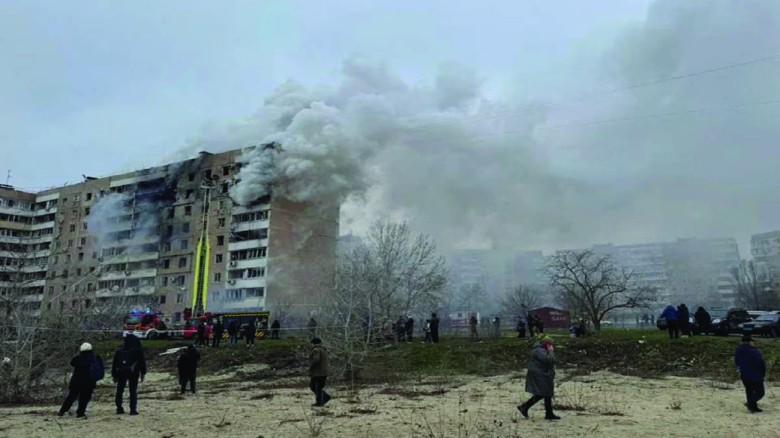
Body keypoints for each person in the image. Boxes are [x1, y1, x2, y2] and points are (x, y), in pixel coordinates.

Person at [517, 336, 560, 421]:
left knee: (547, 393)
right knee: (543, 393)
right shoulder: (539, 350)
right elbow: (549, 360)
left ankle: (549, 413)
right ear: (546, 344)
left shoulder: (541, 350)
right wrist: (551, 351)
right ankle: (524, 407)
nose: (552, 346)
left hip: (543, 373)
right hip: (540, 374)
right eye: (551, 344)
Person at [58, 343, 97, 419]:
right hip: (88, 380)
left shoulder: (76, 359)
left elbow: (72, 363)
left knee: (71, 396)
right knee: (84, 397)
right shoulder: (92, 358)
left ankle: (62, 411)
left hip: (76, 380)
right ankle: (80, 412)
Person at [112, 334, 147, 415]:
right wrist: (143, 373)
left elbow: (114, 364)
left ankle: (119, 408)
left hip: (121, 372)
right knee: (133, 390)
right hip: (133, 372)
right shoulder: (137, 350)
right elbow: (142, 362)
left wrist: (114, 375)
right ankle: (132, 409)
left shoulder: (119, 351)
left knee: (119, 390)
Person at [735, 334, 766, 413]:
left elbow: (736, 362)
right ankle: (750, 404)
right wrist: (763, 372)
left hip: (744, 374)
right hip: (755, 374)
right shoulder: (754, 351)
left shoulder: (738, 350)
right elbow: (760, 364)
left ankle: (753, 407)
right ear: (750, 342)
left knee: (749, 391)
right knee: (760, 392)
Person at [309, 338, 331, 407]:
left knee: (313, 386)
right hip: (324, 372)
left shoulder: (316, 350)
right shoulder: (324, 350)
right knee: (319, 387)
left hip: (317, 372)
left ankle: (326, 396)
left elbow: (316, 360)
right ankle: (319, 402)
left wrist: (311, 367)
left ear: (313, 343)